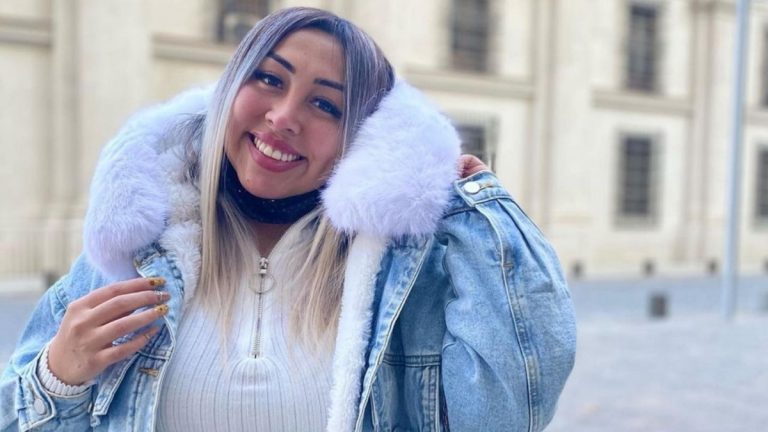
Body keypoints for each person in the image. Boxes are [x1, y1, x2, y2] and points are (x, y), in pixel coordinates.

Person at [0, 7, 576, 432]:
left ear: (363, 139)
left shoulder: (404, 278)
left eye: (325, 104)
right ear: (230, 89)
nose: (283, 117)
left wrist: (478, 205)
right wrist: (57, 376)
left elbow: (507, 414)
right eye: (269, 79)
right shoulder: (133, 246)